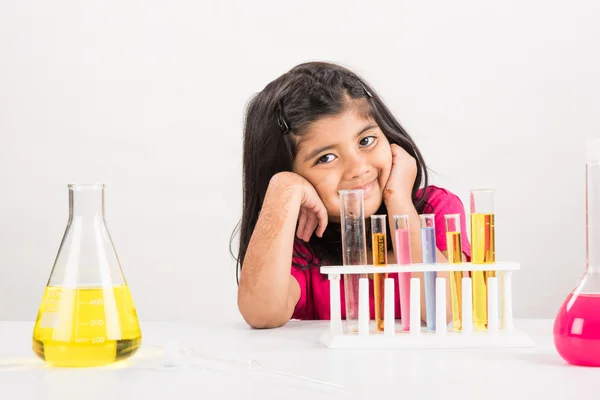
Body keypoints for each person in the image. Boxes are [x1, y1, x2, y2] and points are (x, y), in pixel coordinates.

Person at [232, 61, 471, 329]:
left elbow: (450, 308)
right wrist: (283, 190)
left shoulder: (433, 210)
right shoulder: (299, 244)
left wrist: (399, 200)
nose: (358, 168)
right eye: (326, 157)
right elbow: (262, 314)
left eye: (366, 141)